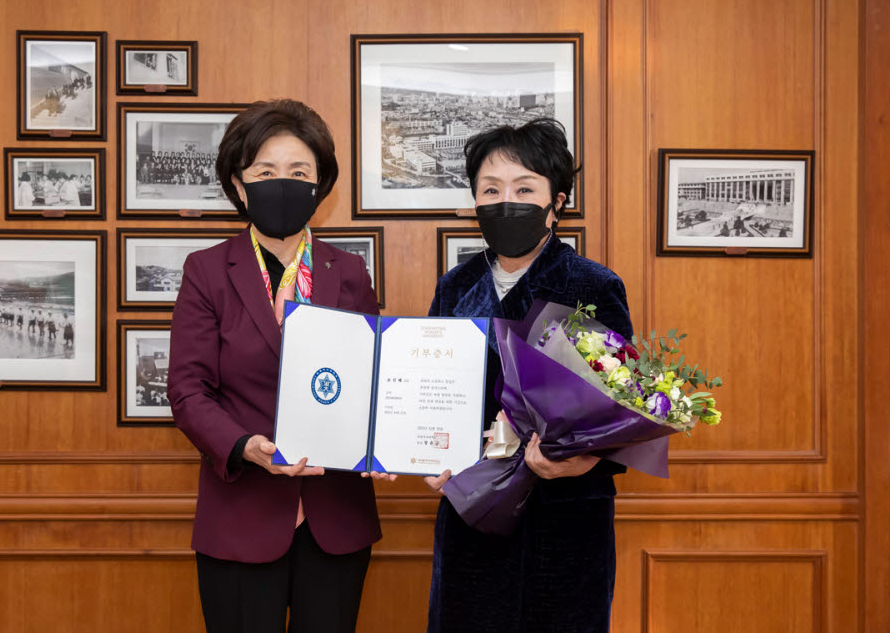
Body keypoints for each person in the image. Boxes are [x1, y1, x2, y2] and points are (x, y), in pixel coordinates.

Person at [168, 99, 393, 633]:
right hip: (241, 517)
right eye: (265, 173)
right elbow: (188, 390)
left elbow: (375, 377)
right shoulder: (207, 272)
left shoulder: (350, 271)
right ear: (240, 185)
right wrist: (245, 447)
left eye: (299, 172)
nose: (283, 184)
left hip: (335, 519)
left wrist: (384, 438)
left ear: (320, 185)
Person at [424, 118, 633, 633]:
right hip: (472, 508)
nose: (505, 202)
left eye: (524, 188)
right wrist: (427, 452)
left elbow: (627, 408)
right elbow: (430, 391)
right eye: (490, 190)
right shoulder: (455, 287)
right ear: (474, 202)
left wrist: (582, 459)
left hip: (564, 518)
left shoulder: (590, 285)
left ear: (556, 201)